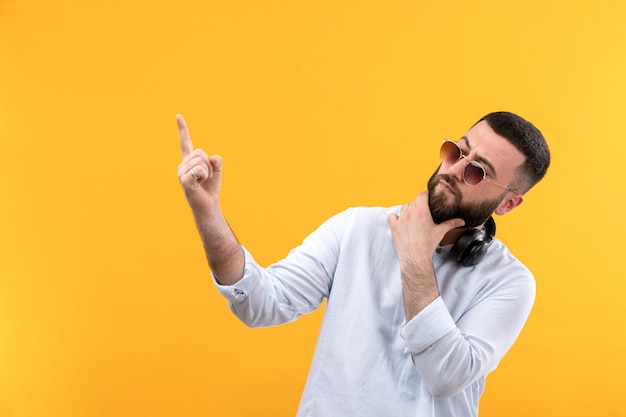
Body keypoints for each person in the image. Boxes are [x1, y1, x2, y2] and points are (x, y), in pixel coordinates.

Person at [176, 111, 550, 417]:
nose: (454, 169)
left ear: (507, 203)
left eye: (477, 171)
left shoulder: (510, 282)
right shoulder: (357, 227)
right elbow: (260, 303)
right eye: (457, 152)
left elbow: (447, 376)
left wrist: (415, 257)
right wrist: (208, 214)